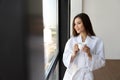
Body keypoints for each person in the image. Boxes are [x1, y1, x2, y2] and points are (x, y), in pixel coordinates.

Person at [62, 13, 105, 80]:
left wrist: (89, 54)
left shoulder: (97, 41)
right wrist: (73, 54)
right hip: (71, 75)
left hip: (86, 76)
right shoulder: (71, 41)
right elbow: (65, 59)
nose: (76, 26)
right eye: (74, 24)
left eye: (79, 23)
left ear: (86, 23)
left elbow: (102, 61)